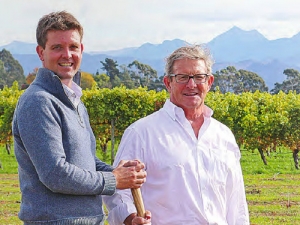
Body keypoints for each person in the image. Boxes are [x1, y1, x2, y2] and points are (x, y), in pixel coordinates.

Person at [12, 11, 150, 225]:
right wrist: (114, 179)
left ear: (81, 50)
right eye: (57, 47)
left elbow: (87, 162)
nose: (67, 54)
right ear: (41, 52)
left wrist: (121, 172)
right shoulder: (38, 101)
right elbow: (55, 174)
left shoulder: (75, 101)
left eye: (73, 47)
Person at [103, 44, 250, 225]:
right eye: (182, 77)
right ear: (168, 83)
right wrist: (132, 219)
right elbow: (118, 192)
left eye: (198, 77)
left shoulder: (224, 135)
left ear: (209, 82)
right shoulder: (141, 132)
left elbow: (236, 202)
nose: (191, 84)